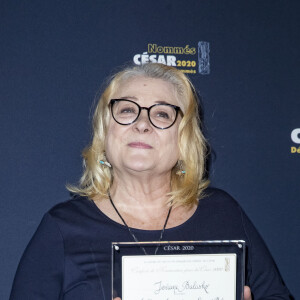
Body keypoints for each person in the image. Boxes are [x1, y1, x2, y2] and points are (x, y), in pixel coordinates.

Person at [10, 63, 291, 300]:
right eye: (127, 110)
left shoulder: (223, 213)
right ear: (105, 133)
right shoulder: (63, 228)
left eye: (161, 114)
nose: (142, 124)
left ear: (183, 140)